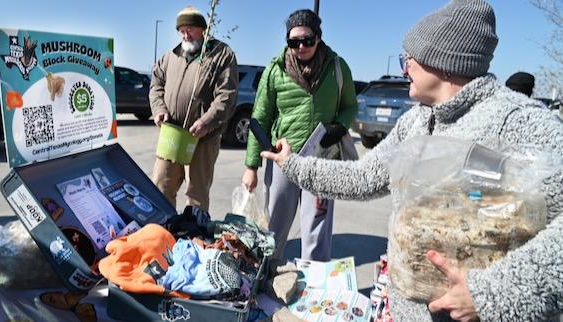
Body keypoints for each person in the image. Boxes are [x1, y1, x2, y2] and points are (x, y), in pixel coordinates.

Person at [260, 0, 563, 321]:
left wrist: (493, 292)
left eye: (410, 59)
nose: (404, 68)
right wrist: (292, 164)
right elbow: (364, 177)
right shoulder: (417, 121)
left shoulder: (514, 120)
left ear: (444, 61)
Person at [241, 9, 358, 262]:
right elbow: (259, 117)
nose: (301, 46)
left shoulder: (337, 67)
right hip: (284, 158)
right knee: (274, 226)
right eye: (294, 42)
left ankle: (314, 288)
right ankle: (267, 279)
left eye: (307, 40)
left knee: (317, 230)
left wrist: (339, 125)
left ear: (318, 37)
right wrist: (251, 166)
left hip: (322, 161)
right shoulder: (275, 70)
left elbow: (351, 105)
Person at [150, 6, 238, 212]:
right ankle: (164, 233)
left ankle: (193, 238)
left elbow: (227, 95)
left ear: (203, 29)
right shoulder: (170, 56)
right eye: (181, 29)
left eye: (190, 28)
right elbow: (156, 85)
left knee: (196, 193)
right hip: (171, 135)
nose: (185, 34)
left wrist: (206, 122)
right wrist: (158, 109)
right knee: (161, 185)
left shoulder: (221, 54)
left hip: (202, 139)